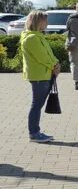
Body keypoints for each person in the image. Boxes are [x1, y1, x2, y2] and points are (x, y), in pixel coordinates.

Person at [21, 11, 60, 143]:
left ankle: (35, 132)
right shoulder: (32, 38)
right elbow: (42, 57)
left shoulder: (37, 36)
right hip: (39, 75)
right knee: (36, 105)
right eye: (45, 21)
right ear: (38, 21)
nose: (47, 23)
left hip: (44, 73)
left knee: (37, 104)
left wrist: (56, 63)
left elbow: (48, 54)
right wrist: (54, 65)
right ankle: (34, 133)